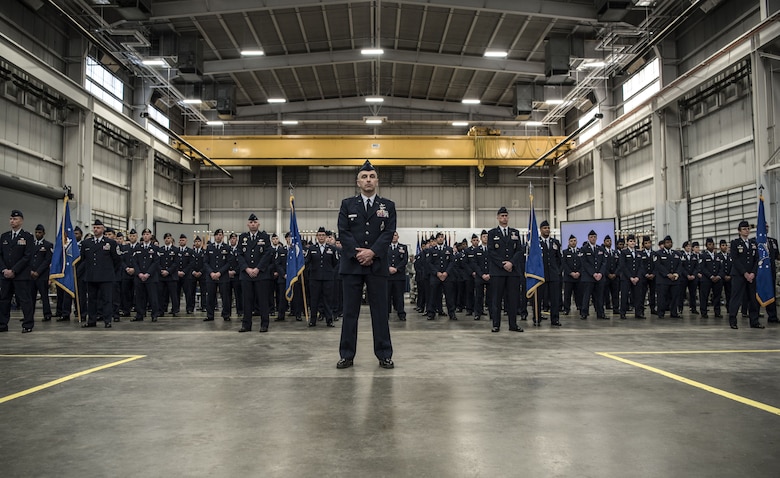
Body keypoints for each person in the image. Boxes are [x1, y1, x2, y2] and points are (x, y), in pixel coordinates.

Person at [336, 160, 396, 369]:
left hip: (377, 265)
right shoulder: (347, 205)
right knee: (350, 312)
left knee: (380, 312)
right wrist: (358, 254)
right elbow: (343, 232)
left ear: (377, 181)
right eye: (364, 177)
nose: (368, 180)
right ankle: (347, 355)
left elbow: (388, 233)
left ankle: (384, 354)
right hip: (352, 266)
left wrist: (373, 252)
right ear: (358, 182)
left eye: (371, 177)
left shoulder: (388, 206)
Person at [487, 206, 524, 333]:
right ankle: (496, 324)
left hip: (512, 272)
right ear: (497, 218)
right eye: (502, 216)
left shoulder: (515, 233)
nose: (504, 218)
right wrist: (503, 264)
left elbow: (519, 250)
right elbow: (491, 251)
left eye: (506, 216)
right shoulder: (492, 233)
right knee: (496, 299)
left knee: (513, 299)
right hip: (498, 271)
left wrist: (511, 263)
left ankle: (513, 324)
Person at [81, 219, 121, 328]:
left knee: (107, 300)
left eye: (98, 228)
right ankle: (91, 321)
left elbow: (117, 260)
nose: (95, 229)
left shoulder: (110, 243)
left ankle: (107, 320)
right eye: (94, 227)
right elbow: (83, 259)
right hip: (91, 276)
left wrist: (110, 271)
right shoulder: (86, 243)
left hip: (106, 276)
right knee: (92, 299)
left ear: (103, 229)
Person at [0, 209, 36, 333]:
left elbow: (27, 256)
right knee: (4, 300)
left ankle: (27, 324)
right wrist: (4, 269)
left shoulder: (27, 237)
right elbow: (0, 255)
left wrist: (14, 270)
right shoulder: (4, 236)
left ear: (21, 221)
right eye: (10, 219)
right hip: (5, 275)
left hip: (20, 275)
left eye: (15, 219)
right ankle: (2, 324)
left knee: (25, 300)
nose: (12, 221)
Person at [237, 214, 274, 333]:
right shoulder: (242, 237)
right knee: (247, 301)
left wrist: (258, 268)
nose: (253, 224)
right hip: (246, 274)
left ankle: (264, 324)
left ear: (258, 224)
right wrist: (247, 269)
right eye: (251, 222)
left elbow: (267, 254)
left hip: (261, 274)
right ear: (248, 224)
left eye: (255, 222)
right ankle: (246, 325)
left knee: (263, 300)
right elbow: (239, 254)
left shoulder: (265, 237)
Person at [728, 220, 763, 329]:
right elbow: (735, 260)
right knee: (736, 298)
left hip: (751, 276)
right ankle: (733, 321)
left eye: (748, 229)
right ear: (739, 231)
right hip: (739, 275)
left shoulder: (753, 243)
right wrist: (745, 273)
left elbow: (757, 259)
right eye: (744, 229)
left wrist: (753, 273)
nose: (746, 231)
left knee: (752, 299)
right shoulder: (735, 243)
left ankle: (754, 321)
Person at [306, 226, 338, 327]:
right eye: (319, 235)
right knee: (314, 300)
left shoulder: (332, 249)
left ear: (326, 237)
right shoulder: (311, 249)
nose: (321, 237)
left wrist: (330, 271)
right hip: (314, 278)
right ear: (316, 237)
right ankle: (313, 320)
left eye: (323, 235)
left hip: (328, 278)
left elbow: (335, 262)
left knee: (328, 300)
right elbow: (307, 261)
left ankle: (329, 320)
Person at [130, 228, 160, 322]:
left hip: (151, 277)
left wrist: (147, 274)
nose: (146, 236)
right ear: (142, 236)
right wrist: (139, 273)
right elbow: (134, 262)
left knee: (153, 297)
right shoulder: (138, 248)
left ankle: (154, 314)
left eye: (147, 234)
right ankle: (140, 314)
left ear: (150, 236)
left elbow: (155, 262)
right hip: (139, 277)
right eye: (144, 234)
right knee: (139, 297)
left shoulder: (155, 248)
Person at [426, 232, 456, 320]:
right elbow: (429, 263)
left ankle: (452, 313)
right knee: (433, 295)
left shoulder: (449, 249)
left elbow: (452, 262)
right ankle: (431, 313)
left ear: (444, 239)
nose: (440, 239)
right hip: (436, 276)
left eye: (442, 237)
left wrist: (446, 272)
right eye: (438, 237)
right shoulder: (431, 250)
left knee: (449, 296)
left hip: (447, 276)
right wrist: (437, 273)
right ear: (436, 239)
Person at [203, 229, 232, 321]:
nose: (218, 237)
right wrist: (211, 272)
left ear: (223, 236)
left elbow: (229, 262)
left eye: (220, 235)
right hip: (211, 276)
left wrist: (220, 272)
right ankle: (210, 315)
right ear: (214, 236)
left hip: (223, 276)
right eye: (217, 235)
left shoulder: (227, 247)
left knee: (225, 297)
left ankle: (226, 315)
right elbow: (205, 262)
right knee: (210, 296)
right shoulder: (209, 247)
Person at [538, 220, 562, 327]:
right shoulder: (536, 243)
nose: (547, 230)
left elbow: (560, 259)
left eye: (548, 228)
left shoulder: (555, 243)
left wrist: (558, 271)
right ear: (540, 230)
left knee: (555, 298)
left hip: (553, 274)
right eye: (545, 228)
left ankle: (555, 319)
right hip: (540, 274)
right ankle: (537, 317)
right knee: (539, 297)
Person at [579, 230, 607, 320]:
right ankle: (584, 313)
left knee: (600, 296)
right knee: (586, 296)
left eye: (594, 237)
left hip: (599, 277)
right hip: (588, 277)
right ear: (588, 238)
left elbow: (604, 262)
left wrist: (600, 273)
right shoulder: (584, 249)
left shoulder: (600, 249)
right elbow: (585, 263)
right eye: (591, 237)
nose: (593, 238)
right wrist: (593, 273)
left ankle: (600, 313)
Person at [654, 235, 682, 319]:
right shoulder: (658, 253)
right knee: (662, 297)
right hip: (663, 279)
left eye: (670, 242)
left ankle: (674, 313)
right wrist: (667, 274)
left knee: (674, 297)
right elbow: (658, 265)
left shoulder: (677, 254)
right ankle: (661, 313)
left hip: (674, 279)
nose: (669, 244)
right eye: (667, 242)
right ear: (664, 244)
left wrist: (676, 274)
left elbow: (680, 265)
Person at [617, 235, 645, 319]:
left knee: (637, 296)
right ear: (627, 243)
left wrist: (637, 277)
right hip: (626, 278)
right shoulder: (624, 252)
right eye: (630, 241)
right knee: (624, 295)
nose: (632, 243)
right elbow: (623, 266)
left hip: (636, 278)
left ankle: (638, 312)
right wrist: (630, 277)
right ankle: (623, 312)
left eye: (633, 241)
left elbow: (641, 266)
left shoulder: (639, 253)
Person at [30, 224, 53, 322]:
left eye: (39, 232)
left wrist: (38, 272)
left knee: (44, 296)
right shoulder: (31, 244)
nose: (37, 234)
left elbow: (47, 260)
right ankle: (29, 315)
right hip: (31, 275)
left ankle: (47, 314)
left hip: (42, 275)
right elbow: (28, 258)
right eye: (36, 232)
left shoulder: (48, 245)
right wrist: (30, 271)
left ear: (43, 233)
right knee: (30, 297)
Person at [697, 237, 723, 319]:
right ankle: (704, 312)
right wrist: (711, 276)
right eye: (709, 244)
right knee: (704, 296)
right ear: (706, 246)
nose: (711, 246)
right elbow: (702, 267)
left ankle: (717, 312)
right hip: (706, 279)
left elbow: (721, 267)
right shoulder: (703, 256)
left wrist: (718, 276)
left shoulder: (718, 256)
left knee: (717, 296)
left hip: (717, 279)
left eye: (712, 244)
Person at [387, 231, 408, 321]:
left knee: (399, 296)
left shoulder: (403, 247)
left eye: (395, 235)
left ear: (398, 237)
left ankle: (401, 313)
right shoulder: (385, 247)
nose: (393, 237)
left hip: (399, 275)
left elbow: (405, 260)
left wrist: (396, 268)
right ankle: (386, 313)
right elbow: (382, 258)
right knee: (386, 296)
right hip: (387, 275)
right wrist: (388, 267)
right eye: (392, 235)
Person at [158, 232, 180, 317]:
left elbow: (176, 263)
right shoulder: (161, 250)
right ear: (164, 240)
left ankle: (175, 310)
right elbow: (157, 262)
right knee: (161, 294)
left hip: (171, 276)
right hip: (162, 276)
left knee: (173, 294)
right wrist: (162, 270)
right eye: (166, 238)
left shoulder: (175, 250)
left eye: (169, 238)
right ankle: (161, 310)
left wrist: (168, 271)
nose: (167, 240)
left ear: (171, 239)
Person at [561, 234, 581, 315]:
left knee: (579, 293)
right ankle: (566, 308)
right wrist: (571, 273)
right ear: (569, 242)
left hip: (578, 276)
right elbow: (564, 264)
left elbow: (583, 263)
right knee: (567, 294)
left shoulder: (580, 252)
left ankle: (579, 306)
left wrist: (579, 272)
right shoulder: (565, 252)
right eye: (571, 241)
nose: (573, 242)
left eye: (574, 241)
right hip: (569, 277)